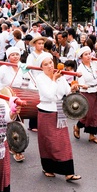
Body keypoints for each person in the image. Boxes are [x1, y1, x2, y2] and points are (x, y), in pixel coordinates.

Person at [35, 53, 81, 181]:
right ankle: (48, 168)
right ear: (41, 67)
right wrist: (54, 79)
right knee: (48, 142)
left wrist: (73, 88)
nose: (50, 66)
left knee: (63, 141)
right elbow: (49, 95)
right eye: (46, 64)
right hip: (46, 111)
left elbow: (66, 91)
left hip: (59, 110)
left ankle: (68, 172)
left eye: (50, 62)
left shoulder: (59, 76)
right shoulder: (40, 78)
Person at [0, 46, 36, 162]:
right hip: (7, 98)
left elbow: (30, 83)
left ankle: (16, 146)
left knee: (19, 122)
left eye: (17, 54)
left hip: (21, 97)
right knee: (10, 121)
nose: (15, 57)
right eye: (12, 55)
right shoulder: (3, 69)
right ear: (8, 57)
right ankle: (15, 148)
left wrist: (35, 91)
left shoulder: (24, 68)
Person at [74, 46, 97, 144]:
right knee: (88, 114)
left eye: (89, 53)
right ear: (81, 57)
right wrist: (83, 85)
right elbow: (79, 81)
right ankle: (77, 126)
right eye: (86, 54)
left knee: (95, 113)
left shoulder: (95, 62)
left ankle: (92, 136)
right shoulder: (80, 68)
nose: (89, 56)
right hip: (86, 92)